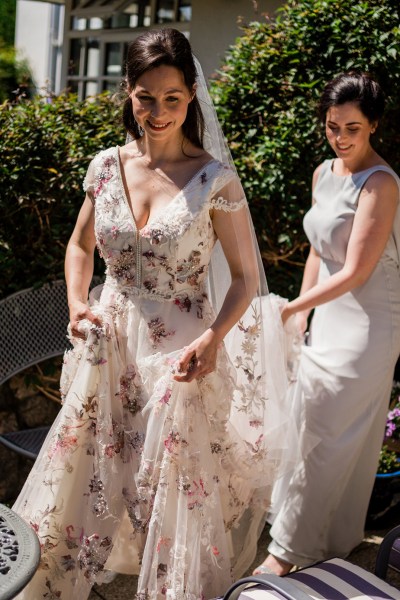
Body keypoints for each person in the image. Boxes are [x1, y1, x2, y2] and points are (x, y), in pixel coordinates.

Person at [13, 28, 296, 599]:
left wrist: (214, 340)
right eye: (146, 97)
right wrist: (75, 302)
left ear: (191, 96)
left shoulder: (215, 180)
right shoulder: (105, 166)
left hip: (181, 355)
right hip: (110, 343)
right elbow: (79, 246)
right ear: (129, 93)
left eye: (172, 98)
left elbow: (244, 279)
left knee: (166, 492)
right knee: (82, 476)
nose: (159, 111)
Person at [254, 71, 400, 576]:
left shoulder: (381, 183)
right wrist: (302, 311)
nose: (340, 137)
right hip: (327, 314)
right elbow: (319, 250)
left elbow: (357, 270)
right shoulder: (323, 172)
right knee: (311, 427)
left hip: (368, 326)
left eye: (352, 128)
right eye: (333, 126)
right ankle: (333, 541)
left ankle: (287, 553)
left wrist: (293, 309)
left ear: (374, 126)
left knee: (330, 434)